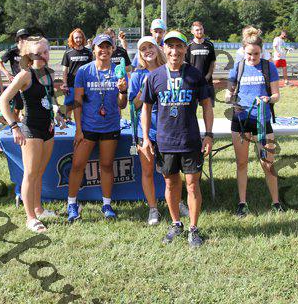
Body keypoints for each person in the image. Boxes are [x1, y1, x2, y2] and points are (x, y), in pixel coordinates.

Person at [141, 31, 214, 248]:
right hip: (165, 141)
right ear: (164, 49)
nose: (174, 51)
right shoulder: (154, 77)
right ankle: (176, 224)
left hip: (190, 139)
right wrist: (146, 137)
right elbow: (146, 108)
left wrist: (208, 135)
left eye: (179, 46)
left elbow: (207, 106)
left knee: (192, 184)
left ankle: (193, 228)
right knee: (171, 183)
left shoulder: (195, 75)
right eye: (170, 46)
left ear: (185, 49)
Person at [0, 36, 64, 233]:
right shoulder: (25, 75)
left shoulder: (48, 73)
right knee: (30, 173)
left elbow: (49, 97)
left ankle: (38, 209)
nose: (43, 56)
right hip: (31, 129)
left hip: (48, 128)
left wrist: (56, 112)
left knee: (39, 172)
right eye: (38, 53)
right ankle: (31, 218)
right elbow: (3, 101)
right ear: (29, 55)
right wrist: (14, 127)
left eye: (46, 52)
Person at [66, 34, 128, 222]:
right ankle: (72, 204)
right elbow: (77, 102)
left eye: (108, 47)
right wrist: (78, 129)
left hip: (110, 125)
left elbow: (122, 104)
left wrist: (123, 90)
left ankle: (106, 204)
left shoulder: (118, 71)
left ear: (112, 49)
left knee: (107, 165)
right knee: (77, 165)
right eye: (100, 47)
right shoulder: (84, 71)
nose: (104, 50)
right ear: (93, 49)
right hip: (88, 127)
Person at [225, 26, 284, 216]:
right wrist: (230, 99)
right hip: (241, 121)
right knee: (242, 163)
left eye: (256, 54)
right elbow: (228, 93)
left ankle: (276, 203)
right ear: (243, 51)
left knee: (268, 163)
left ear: (262, 51)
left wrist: (268, 99)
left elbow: (276, 95)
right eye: (249, 54)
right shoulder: (238, 66)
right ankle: (242, 203)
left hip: (262, 120)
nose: (252, 57)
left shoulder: (268, 66)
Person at [128, 36, 166, 225]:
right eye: (143, 49)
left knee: (171, 171)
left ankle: (177, 201)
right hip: (146, 131)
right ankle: (153, 209)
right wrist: (143, 90)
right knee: (148, 171)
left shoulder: (168, 70)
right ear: (140, 54)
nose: (147, 51)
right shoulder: (137, 75)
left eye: (150, 46)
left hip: (168, 129)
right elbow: (133, 105)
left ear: (158, 49)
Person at [0, 29, 29, 121]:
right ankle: (16, 123)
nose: (25, 39)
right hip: (17, 82)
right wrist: (7, 74)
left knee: (30, 104)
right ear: (18, 39)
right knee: (18, 106)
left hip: (28, 80)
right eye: (22, 37)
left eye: (26, 37)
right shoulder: (12, 50)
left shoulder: (30, 50)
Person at [61, 28, 93, 119]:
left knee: (84, 106)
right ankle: (67, 121)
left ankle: (83, 124)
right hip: (71, 84)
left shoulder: (88, 52)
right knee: (69, 105)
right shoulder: (68, 53)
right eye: (76, 38)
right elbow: (65, 70)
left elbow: (92, 68)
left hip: (85, 84)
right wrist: (65, 84)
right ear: (72, 39)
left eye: (80, 37)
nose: (78, 40)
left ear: (83, 38)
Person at [186, 21, 216, 106]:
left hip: (207, 82)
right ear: (192, 31)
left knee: (208, 108)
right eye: (197, 30)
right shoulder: (189, 46)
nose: (199, 32)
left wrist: (208, 75)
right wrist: (190, 77)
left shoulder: (209, 45)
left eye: (201, 29)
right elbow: (186, 63)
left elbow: (212, 61)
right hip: (193, 82)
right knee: (191, 109)